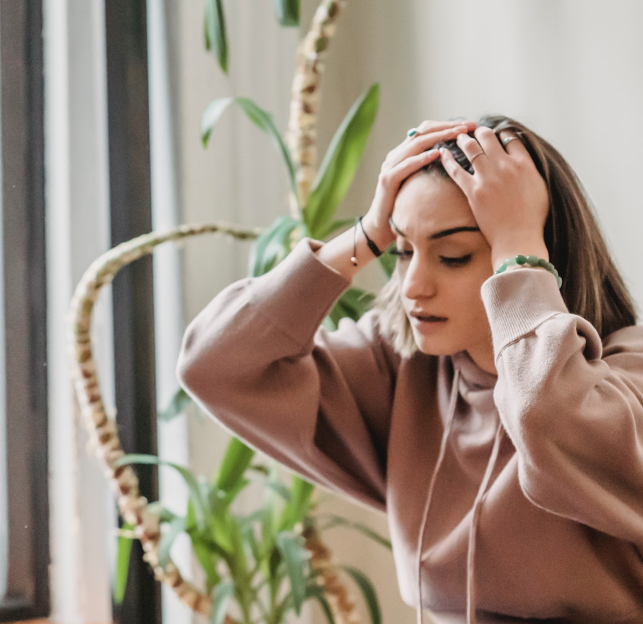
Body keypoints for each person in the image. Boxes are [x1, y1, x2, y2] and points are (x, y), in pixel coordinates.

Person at [178, 116, 643, 623]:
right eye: (402, 251)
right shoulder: (403, 372)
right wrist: (367, 231)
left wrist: (517, 243)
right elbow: (214, 365)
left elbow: (545, 418)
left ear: (535, 253)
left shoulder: (624, 380)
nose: (413, 285)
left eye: (452, 256)